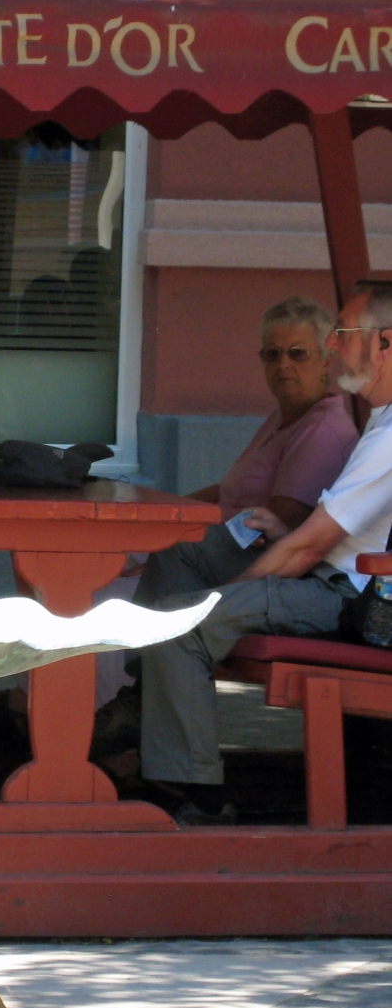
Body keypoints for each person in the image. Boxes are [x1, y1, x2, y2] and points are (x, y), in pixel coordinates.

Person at [138, 281, 392, 826]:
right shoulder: (380, 421)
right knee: (179, 556)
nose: (332, 348)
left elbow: (309, 547)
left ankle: (195, 796)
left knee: (181, 625)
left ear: (385, 343)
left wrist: (225, 599)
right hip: (329, 576)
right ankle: (148, 710)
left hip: (349, 601)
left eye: (343, 335)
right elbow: (324, 532)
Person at [135, 296, 358, 607]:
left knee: (176, 548)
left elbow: (280, 525)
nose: (283, 364)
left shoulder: (324, 431)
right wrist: (166, 511)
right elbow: (228, 491)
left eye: (298, 354)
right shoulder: (284, 416)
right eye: (272, 354)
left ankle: (150, 648)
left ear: (325, 360)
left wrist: (179, 528)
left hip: (265, 564)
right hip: (225, 549)